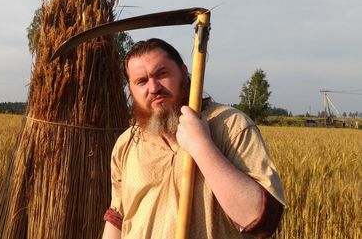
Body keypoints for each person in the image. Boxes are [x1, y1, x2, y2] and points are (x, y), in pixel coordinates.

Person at [102, 38, 285, 239]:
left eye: (162, 74)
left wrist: (202, 146)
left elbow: (261, 220)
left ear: (183, 72)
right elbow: (117, 217)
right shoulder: (126, 143)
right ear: (131, 90)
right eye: (142, 81)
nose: (153, 88)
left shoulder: (230, 126)